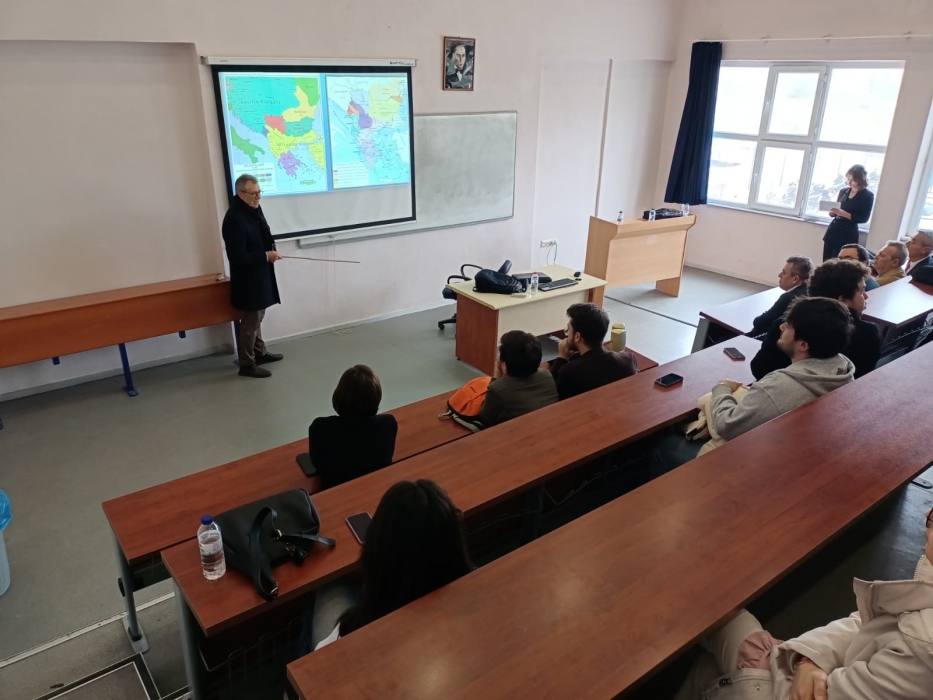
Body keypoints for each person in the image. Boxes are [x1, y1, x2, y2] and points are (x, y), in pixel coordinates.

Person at [674, 509, 933, 700]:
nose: (926, 513)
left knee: (715, 610)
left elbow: (810, 695)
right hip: (825, 674)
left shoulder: (922, 651)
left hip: (791, 691)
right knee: (710, 666)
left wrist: (796, 662)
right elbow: (865, 622)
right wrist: (807, 660)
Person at [652, 298, 854, 475]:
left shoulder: (780, 385)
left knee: (663, 446)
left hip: (755, 467)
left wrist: (722, 388)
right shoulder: (842, 368)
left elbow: (726, 426)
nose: (782, 327)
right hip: (797, 456)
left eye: (788, 326)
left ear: (803, 345)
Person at [314, 480, 472, 649]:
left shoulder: (351, 635)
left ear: (376, 546)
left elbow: (322, 653)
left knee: (328, 589)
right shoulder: (475, 595)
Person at [750, 259, 882, 380]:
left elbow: (759, 369)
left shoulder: (785, 324)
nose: (866, 296)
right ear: (843, 300)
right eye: (861, 291)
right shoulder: (868, 333)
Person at [222, 174, 284, 378]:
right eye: (253, 193)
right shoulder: (234, 219)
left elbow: (263, 235)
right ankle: (247, 364)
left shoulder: (253, 209)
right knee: (250, 322)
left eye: (259, 192)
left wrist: (270, 251)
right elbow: (237, 257)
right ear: (240, 194)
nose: (258, 197)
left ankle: (260, 353)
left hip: (260, 274)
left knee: (258, 316)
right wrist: (265, 256)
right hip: (248, 280)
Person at [308, 366, 398, 490]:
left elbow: (317, 464)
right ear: (376, 395)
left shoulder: (320, 428)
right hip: (375, 488)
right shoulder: (389, 424)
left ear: (339, 395)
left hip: (335, 492)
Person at [549, 303, 638, 400]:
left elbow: (550, 395)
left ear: (577, 336)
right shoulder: (628, 359)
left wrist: (562, 358)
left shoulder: (569, 372)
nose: (567, 334)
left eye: (568, 330)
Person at [477, 331, 558, 427]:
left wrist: (496, 377)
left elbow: (484, 417)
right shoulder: (547, 375)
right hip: (548, 425)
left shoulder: (497, 390)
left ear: (504, 364)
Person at [748, 256, 812, 337]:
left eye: (784, 273)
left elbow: (760, 322)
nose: (779, 275)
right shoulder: (810, 291)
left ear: (795, 279)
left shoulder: (788, 298)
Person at [822, 165, 875, 261]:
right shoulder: (843, 191)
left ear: (861, 179)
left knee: (840, 262)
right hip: (834, 229)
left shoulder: (867, 195)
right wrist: (833, 213)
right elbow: (838, 207)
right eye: (848, 179)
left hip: (848, 232)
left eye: (853, 180)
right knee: (826, 260)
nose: (850, 182)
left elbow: (864, 218)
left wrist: (844, 214)